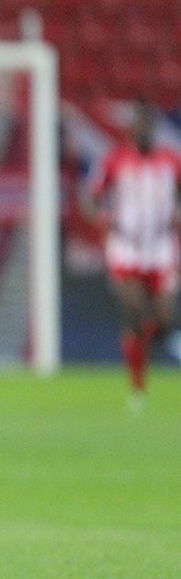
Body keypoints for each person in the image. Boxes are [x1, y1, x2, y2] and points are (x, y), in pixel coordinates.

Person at [80, 100, 181, 410]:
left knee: (165, 321)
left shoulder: (171, 162)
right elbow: (91, 197)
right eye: (139, 125)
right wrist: (102, 219)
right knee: (134, 311)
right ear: (132, 129)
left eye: (148, 125)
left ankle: (145, 344)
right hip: (126, 246)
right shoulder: (115, 161)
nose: (144, 130)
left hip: (161, 247)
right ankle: (138, 388)